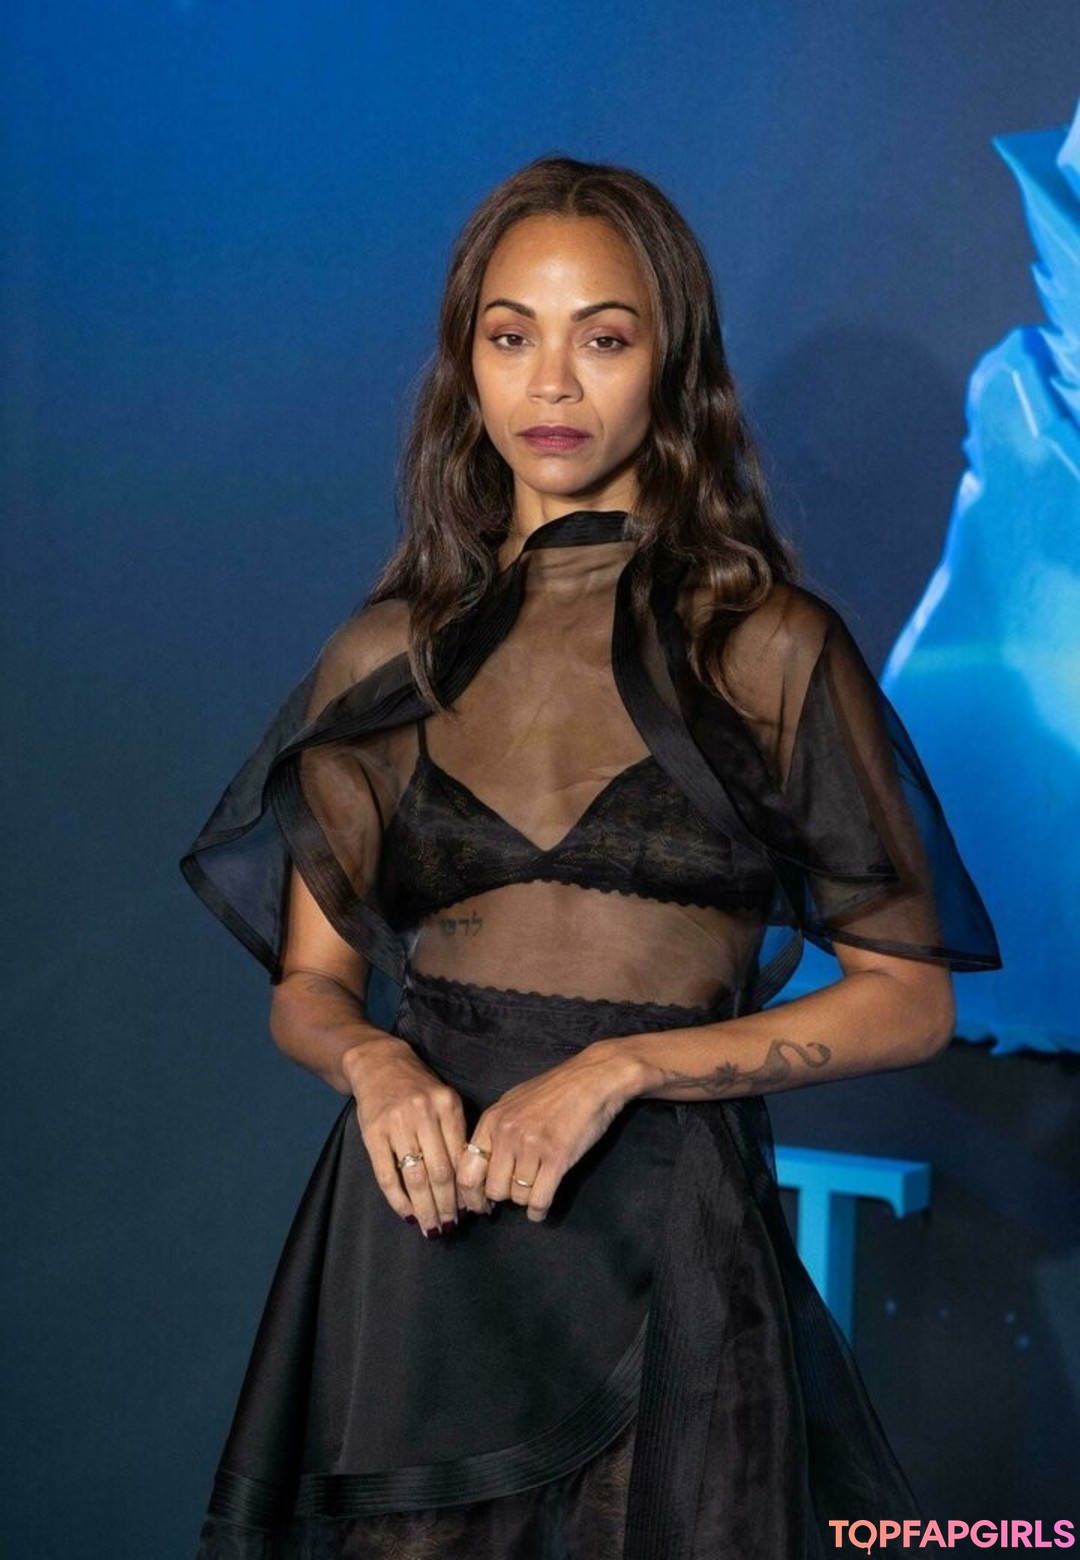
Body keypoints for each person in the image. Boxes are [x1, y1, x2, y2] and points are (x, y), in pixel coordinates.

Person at [180, 155, 1002, 1560]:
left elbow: (908, 999)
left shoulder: (767, 648)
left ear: (670, 365)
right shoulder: (387, 657)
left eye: (602, 338)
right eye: (512, 337)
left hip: (671, 1239)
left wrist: (622, 1068)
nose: (551, 383)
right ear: (466, 364)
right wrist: (375, 1063)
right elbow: (308, 989)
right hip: (420, 1248)